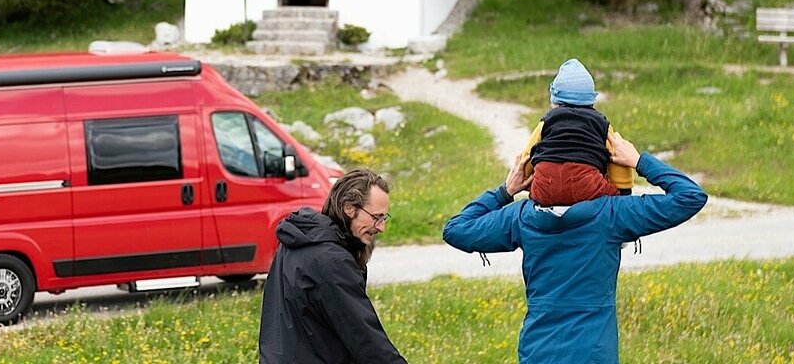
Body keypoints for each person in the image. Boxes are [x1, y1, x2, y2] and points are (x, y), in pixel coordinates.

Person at [443, 132, 707, 364]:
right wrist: (639, 162)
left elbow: (456, 229)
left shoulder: (521, 218)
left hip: (538, 352)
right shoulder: (612, 215)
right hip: (594, 353)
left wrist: (505, 191)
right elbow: (690, 196)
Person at [258, 169, 407, 364]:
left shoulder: (297, 241)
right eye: (375, 217)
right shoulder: (332, 262)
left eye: (384, 218)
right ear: (349, 208)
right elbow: (366, 340)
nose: (381, 227)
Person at [516, 58, 633, 206]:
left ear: (555, 101)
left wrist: (526, 177)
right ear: (591, 100)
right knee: (612, 194)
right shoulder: (600, 123)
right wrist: (623, 189)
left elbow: (527, 155)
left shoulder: (547, 121)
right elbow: (617, 153)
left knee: (539, 185)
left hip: (547, 189)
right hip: (586, 188)